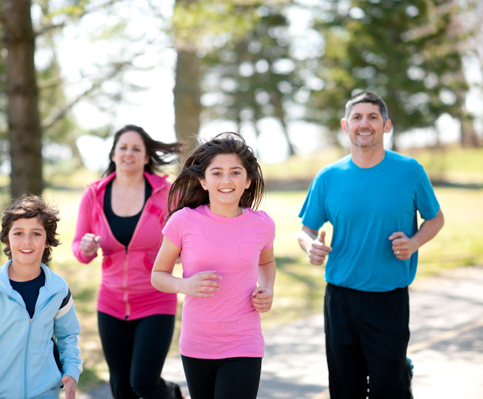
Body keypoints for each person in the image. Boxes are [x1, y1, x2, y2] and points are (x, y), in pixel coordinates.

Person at [297, 91, 445, 399]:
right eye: (357, 117)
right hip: (340, 299)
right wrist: (310, 246)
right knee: (344, 387)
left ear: (386, 126)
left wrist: (414, 243)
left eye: (373, 117)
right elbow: (306, 229)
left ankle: (399, 372)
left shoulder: (410, 170)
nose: (364, 124)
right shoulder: (328, 176)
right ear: (345, 125)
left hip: (388, 298)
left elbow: (436, 219)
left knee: (389, 388)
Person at [151, 132, 277, 399]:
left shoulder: (262, 224)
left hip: (244, 341)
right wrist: (185, 285)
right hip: (198, 343)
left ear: (248, 180)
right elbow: (158, 275)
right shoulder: (183, 221)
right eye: (217, 173)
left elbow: (266, 262)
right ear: (203, 181)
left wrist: (267, 289)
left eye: (235, 172)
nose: (226, 180)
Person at [72, 124, 183, 399]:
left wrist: (181, 253)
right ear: (113, 154)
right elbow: (78, 248)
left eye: (136, 148)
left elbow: (186, 237)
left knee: (143, 382)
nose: (128, 153)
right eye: (123, 147)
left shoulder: (167, 194)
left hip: (156, 299)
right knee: (121, 388)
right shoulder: (94, 195)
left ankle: (173, 394)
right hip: (110, 303)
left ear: (146, 157)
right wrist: (85, 248)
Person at [0, 195, 83, 399]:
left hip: (46, 393)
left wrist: (72, 372)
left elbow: (68, 337)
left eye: (36, 234)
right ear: (7, 239)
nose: (27, 241)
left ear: (48, 240)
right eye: (19, 233)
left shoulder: (58, 289)